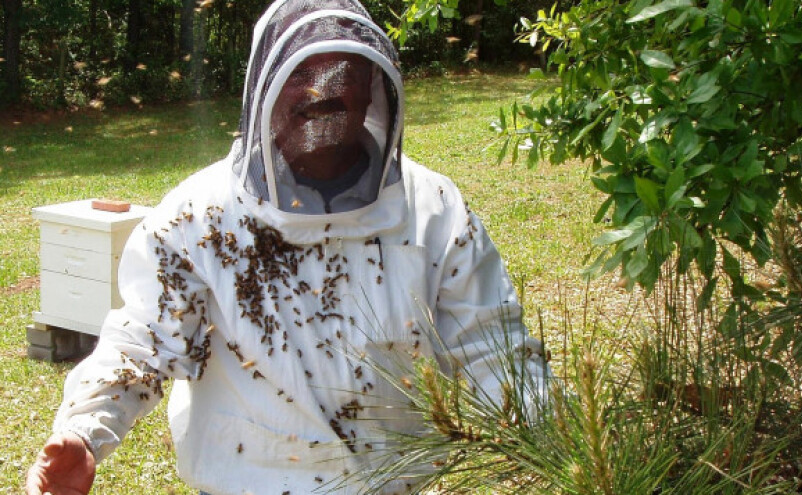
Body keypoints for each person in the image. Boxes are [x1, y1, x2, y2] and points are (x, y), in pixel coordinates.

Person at [26, 1, 545, 494]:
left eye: (342, 73)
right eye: (301, 74)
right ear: (264, 90)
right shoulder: (199, 215)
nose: (321, 94)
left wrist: (559, 438)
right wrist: (85, 429)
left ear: (373, 87)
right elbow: (142, 343)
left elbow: (490, 344)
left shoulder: (433, 209)